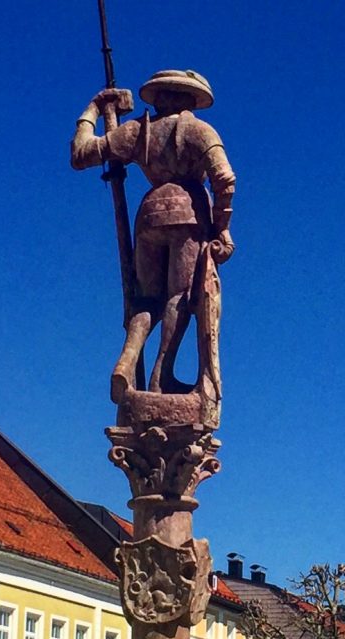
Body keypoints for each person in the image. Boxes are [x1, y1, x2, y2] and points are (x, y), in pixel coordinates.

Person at [71, 70, 236, 404]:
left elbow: (81, 154)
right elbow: (225, 179)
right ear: (188, 99)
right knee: (180, 296)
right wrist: (223, 228)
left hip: (149, 215)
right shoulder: (199, 131)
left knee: (147, 300)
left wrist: (92, 109)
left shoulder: (136, 131)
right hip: (188, 215)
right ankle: (161, 374)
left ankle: (127, 361)